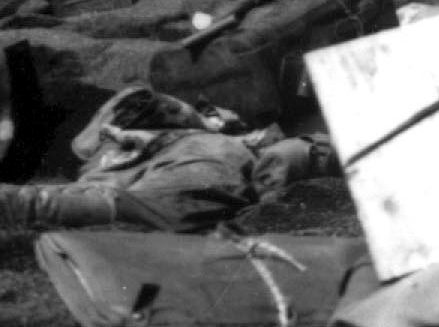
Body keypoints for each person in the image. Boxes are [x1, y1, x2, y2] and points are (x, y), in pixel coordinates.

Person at [0, 86, 328, 235]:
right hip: (130, 162)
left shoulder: (222, 149)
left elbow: (307, 152)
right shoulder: (151, 117)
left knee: (130, 205)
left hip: (196, 164)